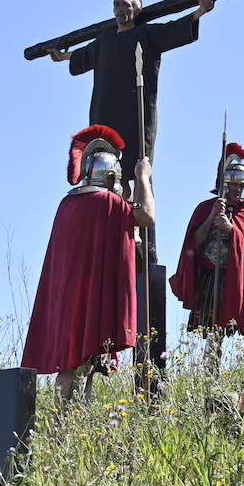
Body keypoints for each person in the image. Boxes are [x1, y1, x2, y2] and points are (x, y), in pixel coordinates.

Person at [47, 0, 213, 235]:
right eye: (116, 4)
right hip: (106, 109)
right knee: (106, 163)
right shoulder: (105, 40)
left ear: (136, 9)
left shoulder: (145, 34)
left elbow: (172, 30)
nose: (120, 9)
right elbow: (84, 55)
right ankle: (107, 212)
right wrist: (62, 57)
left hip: (136, 110)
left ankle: (131, 222)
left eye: (125, 4)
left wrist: (199, 12)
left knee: (135, 163)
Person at [22, 126, 155, 405]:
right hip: (91, 293)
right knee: (82, 363)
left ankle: (68, 424)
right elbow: (145, 216)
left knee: (78, 364)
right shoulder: (106, 201)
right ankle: (65, 427)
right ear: (110, 177)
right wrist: (143, 177)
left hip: (69, 296)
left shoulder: (68, 203)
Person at [169, 143, 244, 370]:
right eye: (235, 184)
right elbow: (194, 242)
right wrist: (212, 217)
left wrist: (231, 229)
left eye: (242, 185)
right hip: (212, 278)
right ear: (225, 182)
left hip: (241, 280)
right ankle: (210, 377)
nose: (238, 190)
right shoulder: (205, 208)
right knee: (214, 334)